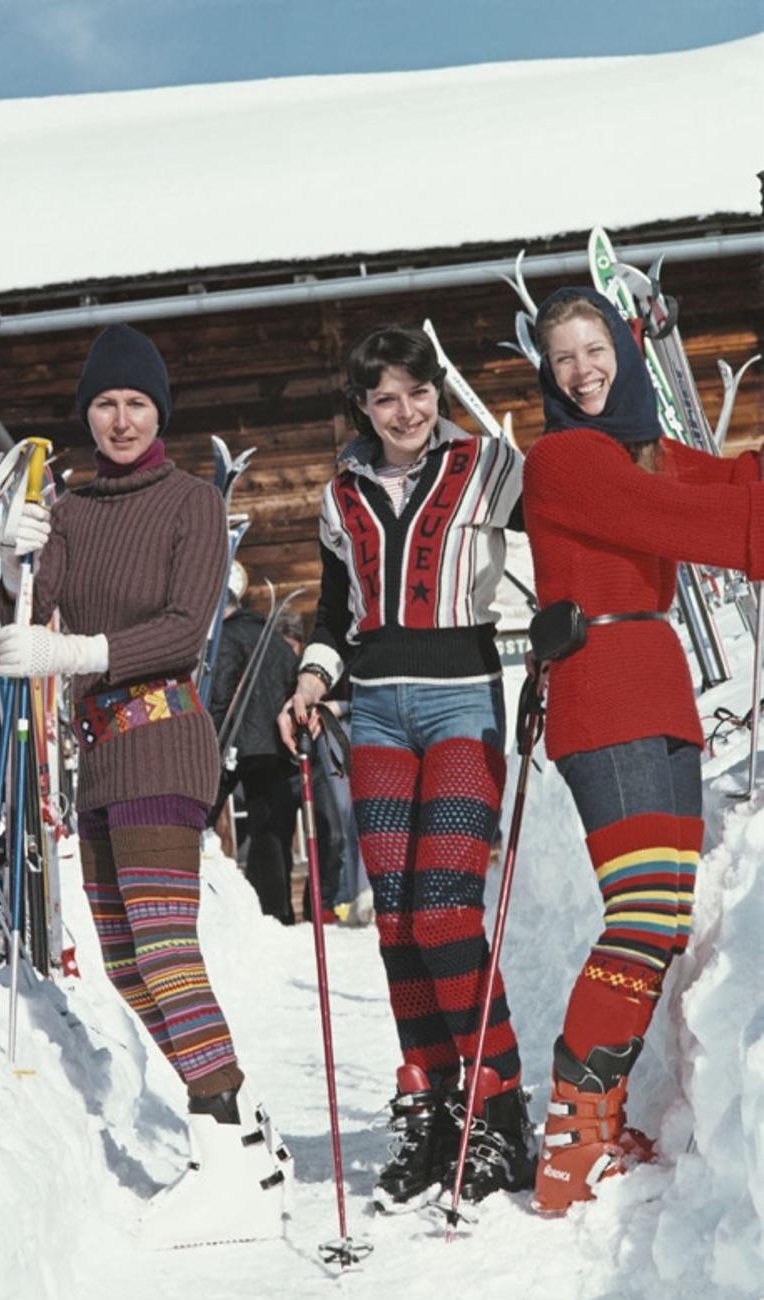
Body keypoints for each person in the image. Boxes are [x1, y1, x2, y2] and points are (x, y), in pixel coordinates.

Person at [0, 323, 289, 1247]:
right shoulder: (73, 509)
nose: (121, 419)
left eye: (137, 403)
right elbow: (37, 619)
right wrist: (11, 564)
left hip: (165, 742)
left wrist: (76, 652)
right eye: (106, 404)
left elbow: (183, 630)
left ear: (159, 411)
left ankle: (227, 1144)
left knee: (165, 951)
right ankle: (242, 1134)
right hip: (99, 756)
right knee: (126, 963)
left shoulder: (191, 501)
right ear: (89, 414)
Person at [277, 324, 535, 1214]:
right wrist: (312, 679)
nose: (406, 411)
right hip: (378, 708)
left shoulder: (491, 468)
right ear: (362, 407)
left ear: (437, 393)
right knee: (393, 918)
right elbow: (335, 609)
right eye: (385, 398)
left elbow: (573, 523)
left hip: (464, 698)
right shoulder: (337, 495)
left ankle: (497, 1102)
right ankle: (430, 1101)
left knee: (442, 909)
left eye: (418, 392)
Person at [522, 286, 764, 1215]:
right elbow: (691, 524)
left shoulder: (637, 450)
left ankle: (597, 1117)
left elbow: (720, 484)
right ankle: (570, 1141)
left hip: (653, 687)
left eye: (595, 350)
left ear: (624, 351)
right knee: (639, 915)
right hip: (601, 692)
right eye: (564, 359)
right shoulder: (563, 460)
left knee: (662, 918)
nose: (583, 371)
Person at [209, 584, 302, 923]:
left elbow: (220, 691)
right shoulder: (271, 637)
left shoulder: (229, 637)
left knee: (209, 815)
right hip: (279, 742)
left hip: (242, 743)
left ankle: (266, 911)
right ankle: (280, 910)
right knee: (274, 829)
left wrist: (212, 737)